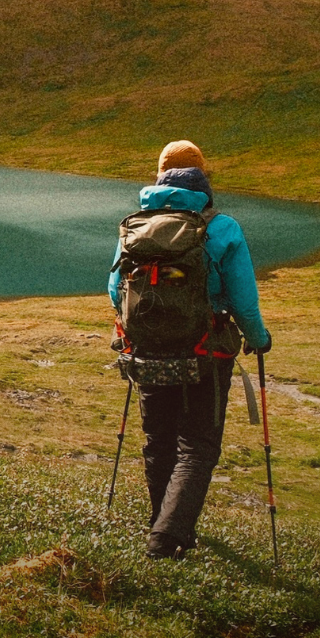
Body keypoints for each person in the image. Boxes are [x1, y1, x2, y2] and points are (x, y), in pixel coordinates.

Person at [108, 140, 271, 559]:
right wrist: (258, 338)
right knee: (197, 444)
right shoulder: (221, 227)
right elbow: (243, 300)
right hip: (206, 352)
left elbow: (114, 290)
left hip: (147, 350)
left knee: (158, 439)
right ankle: (167, 537)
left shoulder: (136, 225)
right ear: (203, 176)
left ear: (159, 175)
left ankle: (161, 523)